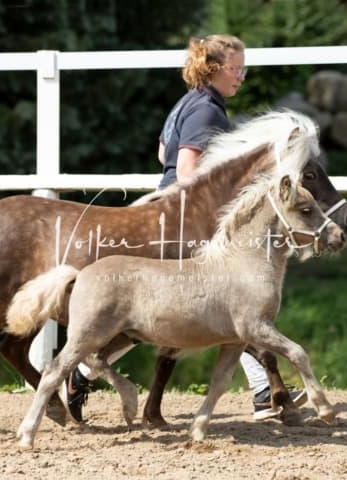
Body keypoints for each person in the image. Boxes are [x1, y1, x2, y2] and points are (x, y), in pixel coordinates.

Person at [66, 34, 294, 423]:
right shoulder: (208, 111)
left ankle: (84, 374)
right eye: (236, 69)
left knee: (149, 314)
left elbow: (162, 154)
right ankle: (264, 392)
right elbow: (187, 171)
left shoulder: (188, 102)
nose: (241, 76)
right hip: (182, 219)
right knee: (225, 303)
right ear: (215, 69)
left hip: (166, 207)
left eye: (243, 69)